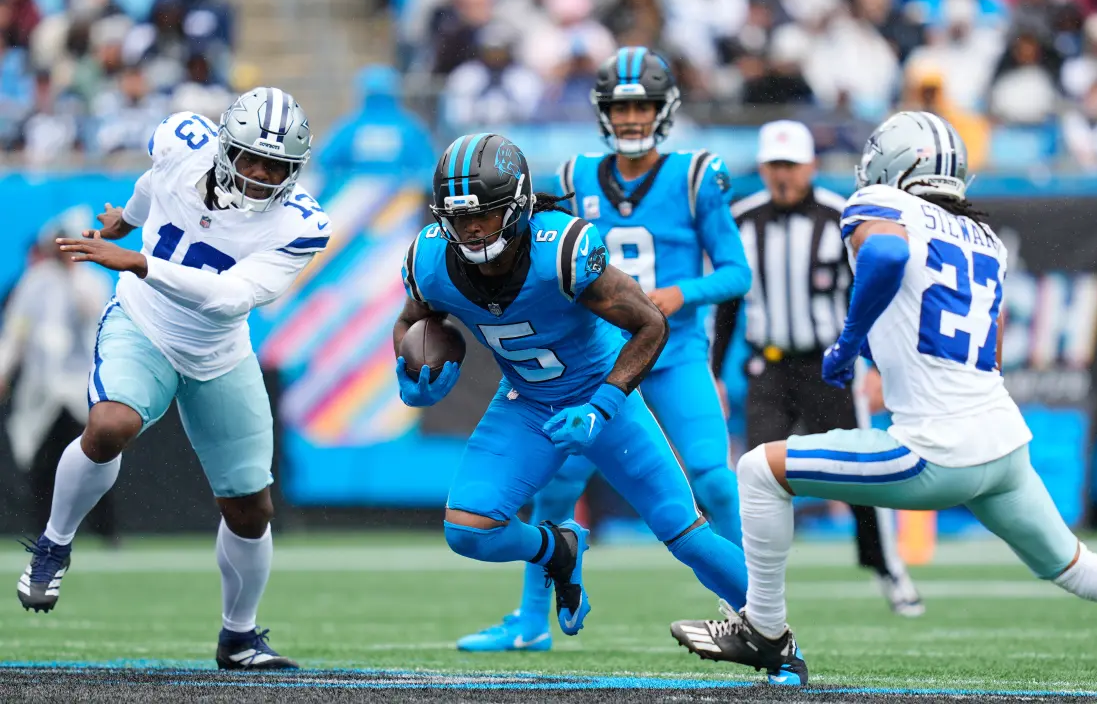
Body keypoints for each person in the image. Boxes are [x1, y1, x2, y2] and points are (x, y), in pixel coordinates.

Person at [669, 111, 1097, 704]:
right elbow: (989, 340)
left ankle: (766, 631)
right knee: (1079, 566)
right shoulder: (983, 238)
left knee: (758, 470)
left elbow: (885, 258)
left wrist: (849, 342)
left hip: (932, 452)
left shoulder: (881, 204)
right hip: (1002, 445)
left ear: (894, 165)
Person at [395, 133, 802, 685]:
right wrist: (411, 377)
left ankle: (780, 644)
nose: (471, 230)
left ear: (516, 206)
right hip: (526, 402)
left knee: (684, 532)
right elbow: (413, 320)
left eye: (484, 215)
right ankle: (555, 548)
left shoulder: (558, 249)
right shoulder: (429, 259)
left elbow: (650, 324)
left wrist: (602, 407)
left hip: (599, 395)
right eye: (459, 217)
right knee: (467, 531)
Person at [16, 87, 330, 671]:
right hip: (144, 325)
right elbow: (154, 181)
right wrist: (128, 219)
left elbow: (230, 297)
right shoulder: (182, 141)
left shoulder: (300, 224)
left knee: (251, 509)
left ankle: (239, 636)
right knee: (110, 424)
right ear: (225, 149)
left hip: (219, 352)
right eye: (253, 160)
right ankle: (54, 543)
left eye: (277, 167)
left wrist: (140, 259)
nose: (263, 176)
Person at [456, 46, 751, 653]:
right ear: (602, 112)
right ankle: (531, 620)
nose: (632, 118)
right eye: (620, 107)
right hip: (596, 359)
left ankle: (750, 611)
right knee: (557, 486)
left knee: (713, 479)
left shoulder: (695, 175)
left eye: (642, 106)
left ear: (663, 110)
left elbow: (737, 272)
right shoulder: (574, 176)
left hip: (674, 352)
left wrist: (681, 293)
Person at [713, 119, 923, 617]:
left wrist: (875, 365)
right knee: (756, 477)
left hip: (831, 368)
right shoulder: (741, 219)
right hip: (767, 368)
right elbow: (726, 304)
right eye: (774, 165)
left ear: (811, 165)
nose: (783, 175)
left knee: (862, 475)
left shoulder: (841, 216)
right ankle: (751, 591)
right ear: (762, 168)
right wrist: (715, 372)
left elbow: (870, 296)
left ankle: (889, 568)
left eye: (791, 165)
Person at [0, 221, 115, 543]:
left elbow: (95, 314)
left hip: (81, 388)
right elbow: (16, 330)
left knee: (93, 457)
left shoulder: (90, 280)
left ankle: (107, 530)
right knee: (42, 461)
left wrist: (73, 272)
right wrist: (4, 370)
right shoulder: (34, 282)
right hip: (42, 388)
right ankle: (45, 530)